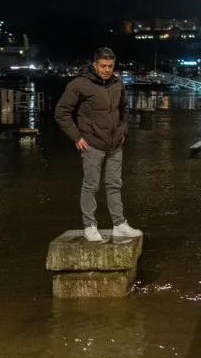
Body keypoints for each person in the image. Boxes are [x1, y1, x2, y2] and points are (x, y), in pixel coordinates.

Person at [55, 47, 142, 242]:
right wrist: (77, 137)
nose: (107, 70)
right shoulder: (79, 84)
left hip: (115, 144)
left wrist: (123, 131)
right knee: (91, 186)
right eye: (103, 66)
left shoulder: (117, 84)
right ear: (94, 65)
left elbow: (124, 109)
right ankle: (89, 226)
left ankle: (119, 225)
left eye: (110, 66)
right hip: (92, 144)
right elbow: (61, 113)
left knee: (114, 185)